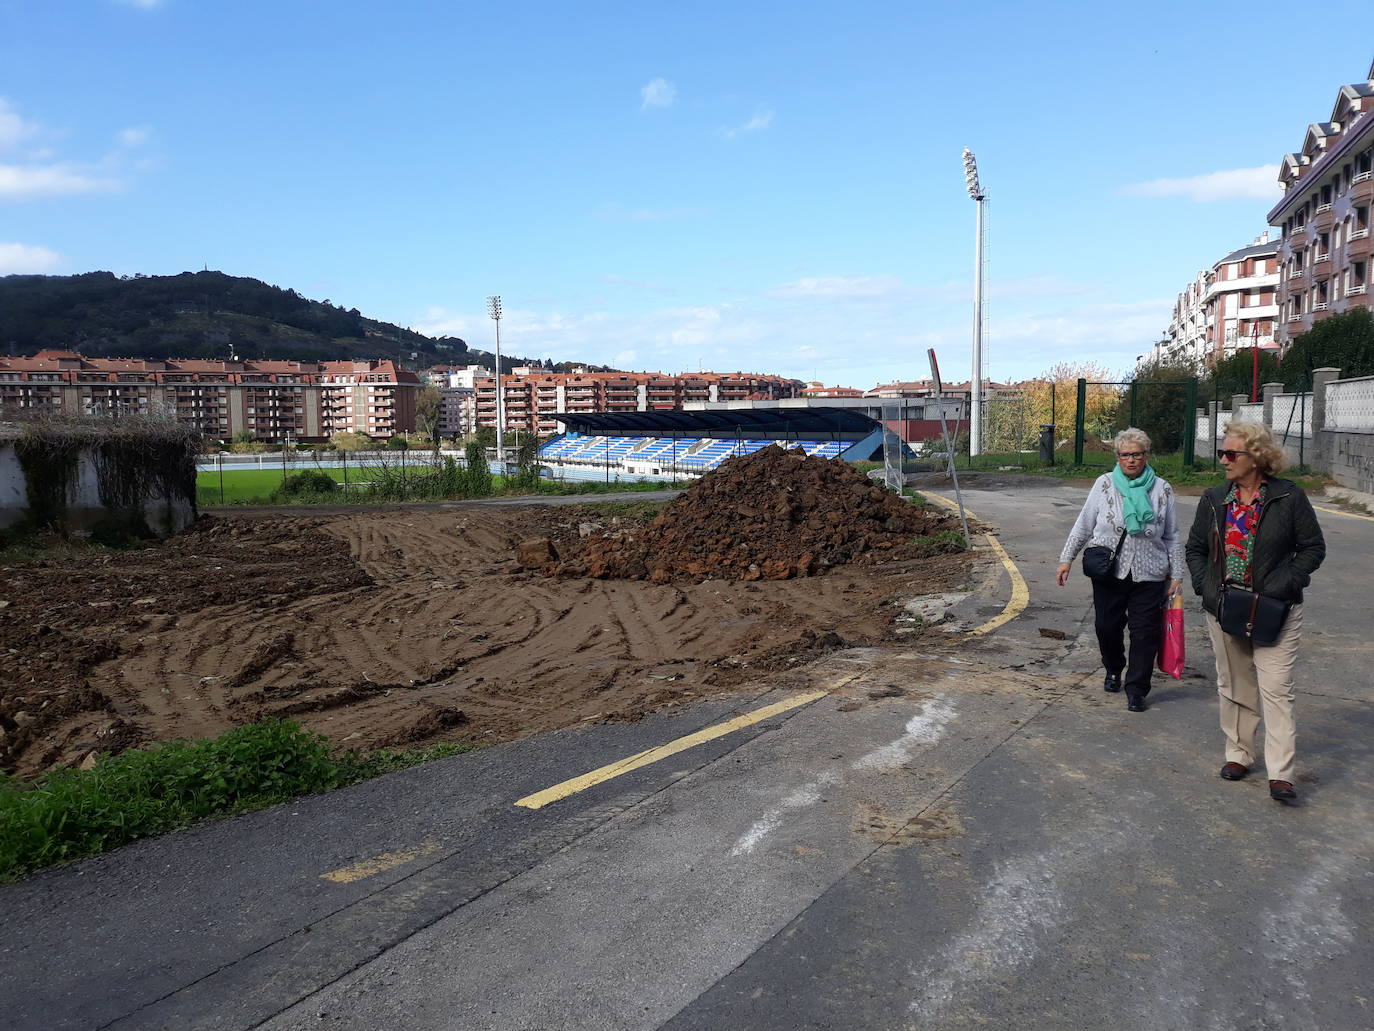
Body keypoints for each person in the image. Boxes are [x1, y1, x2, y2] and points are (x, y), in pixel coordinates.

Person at [1185, 421, 1325, 803]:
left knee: (1276, 689)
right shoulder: (1215, 499)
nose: (1224, 461)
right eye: (1222, 453)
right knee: (1234, 684)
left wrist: (1283, 583)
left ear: (1257, 458)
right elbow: (1195, 548)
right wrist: (1206, 588)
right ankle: (1239, 754)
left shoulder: (1288, 497)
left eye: (1232, 454)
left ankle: (1281, 773)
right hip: (1226, 607)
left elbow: (1313, 548)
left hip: (1276, 609)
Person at [1057, 428, 1184, 712]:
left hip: (1150, 572)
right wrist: (1066, 559)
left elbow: (1172, 534)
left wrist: (1177, 574)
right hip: (1109, 572)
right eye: (1125, 455)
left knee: (1145, 632)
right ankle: (1113, 667)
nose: (1131, 460)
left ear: (1146, 455)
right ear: (1117, 456)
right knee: (1107, 626)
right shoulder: (1104, 485)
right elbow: (1084, 524)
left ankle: (1137, 689)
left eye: (1137, 454)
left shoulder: (1162, 489)